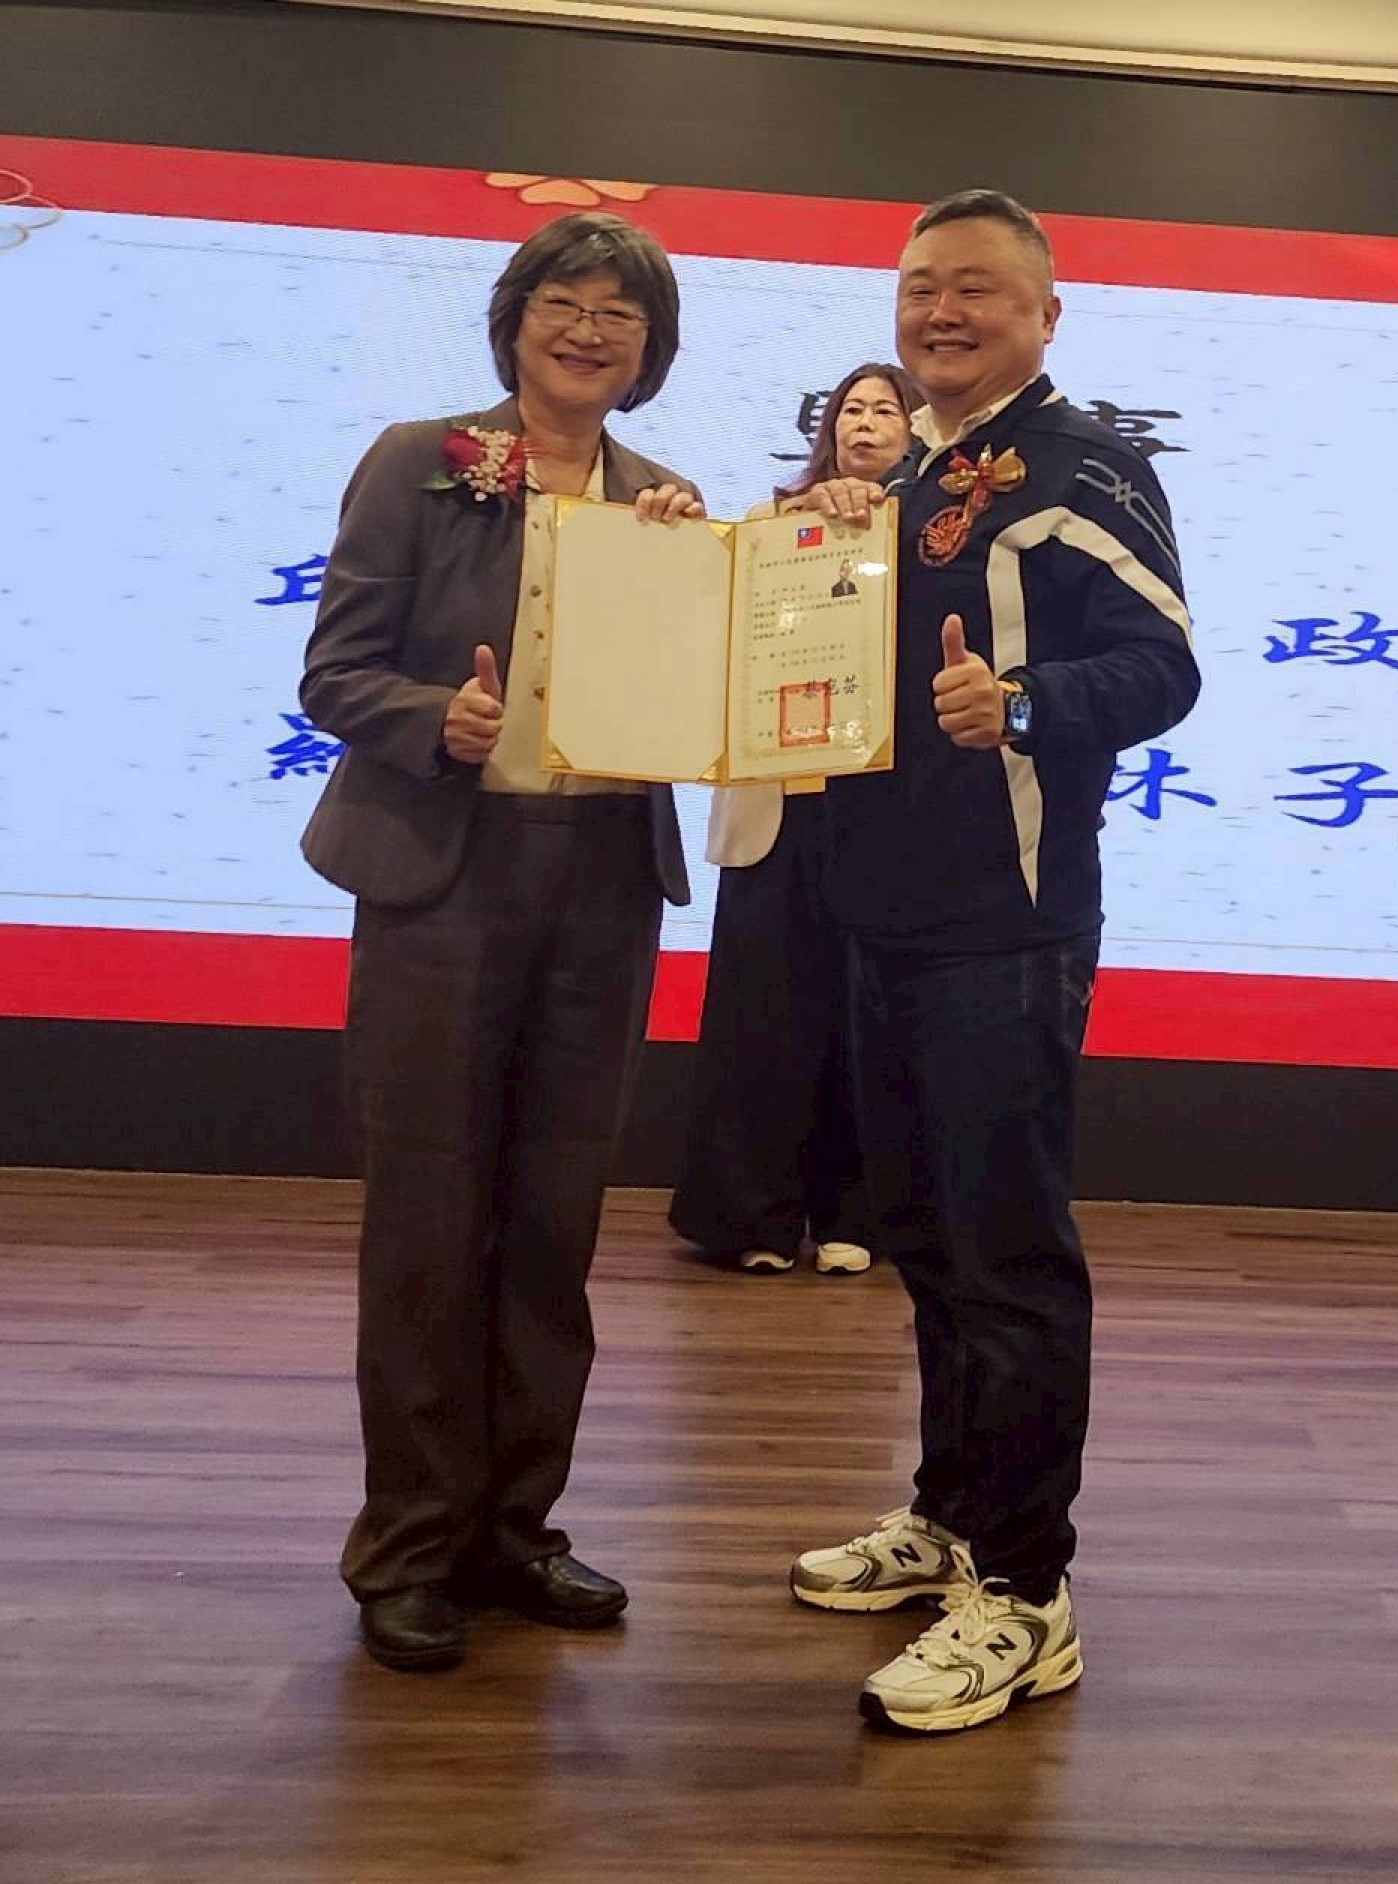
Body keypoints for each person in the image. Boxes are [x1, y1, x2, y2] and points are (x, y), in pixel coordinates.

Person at [786, 191, 1201, 1731]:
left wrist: (1020, 704)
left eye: (974, 288)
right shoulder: (907, 475)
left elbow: (1163, 665)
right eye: (919, 289)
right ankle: (955, 1515)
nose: (940, 313)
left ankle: (1028, 1595)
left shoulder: (1086, 465)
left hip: (1006, 924)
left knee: (1007, 1255)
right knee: (929, 1240)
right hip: (882, 911)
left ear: (1043, 314)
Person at [299, 211, 699, 1673]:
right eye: (564, 302)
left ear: (651, 350)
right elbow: (335, 671)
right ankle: (410, 1545)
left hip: (603, 882)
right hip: (444, 879)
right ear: (515, 319)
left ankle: (515, 1530)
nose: (590, 331)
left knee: (551, 1218)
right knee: (428, 1216)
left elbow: (703, 693)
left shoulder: (667, 505)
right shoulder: (420, 461)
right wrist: (437, 719)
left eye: (620, 314)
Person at [667, 363, 918, 1276]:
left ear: (916, 430)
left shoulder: (934, 530)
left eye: (885, 409)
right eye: (851, 409)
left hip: (882, 815)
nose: (864, 422)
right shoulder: (771, 524)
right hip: (777, 806)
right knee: (763, 1016)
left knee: (868, 1021)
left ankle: (857, 1214)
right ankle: (752, 1218)